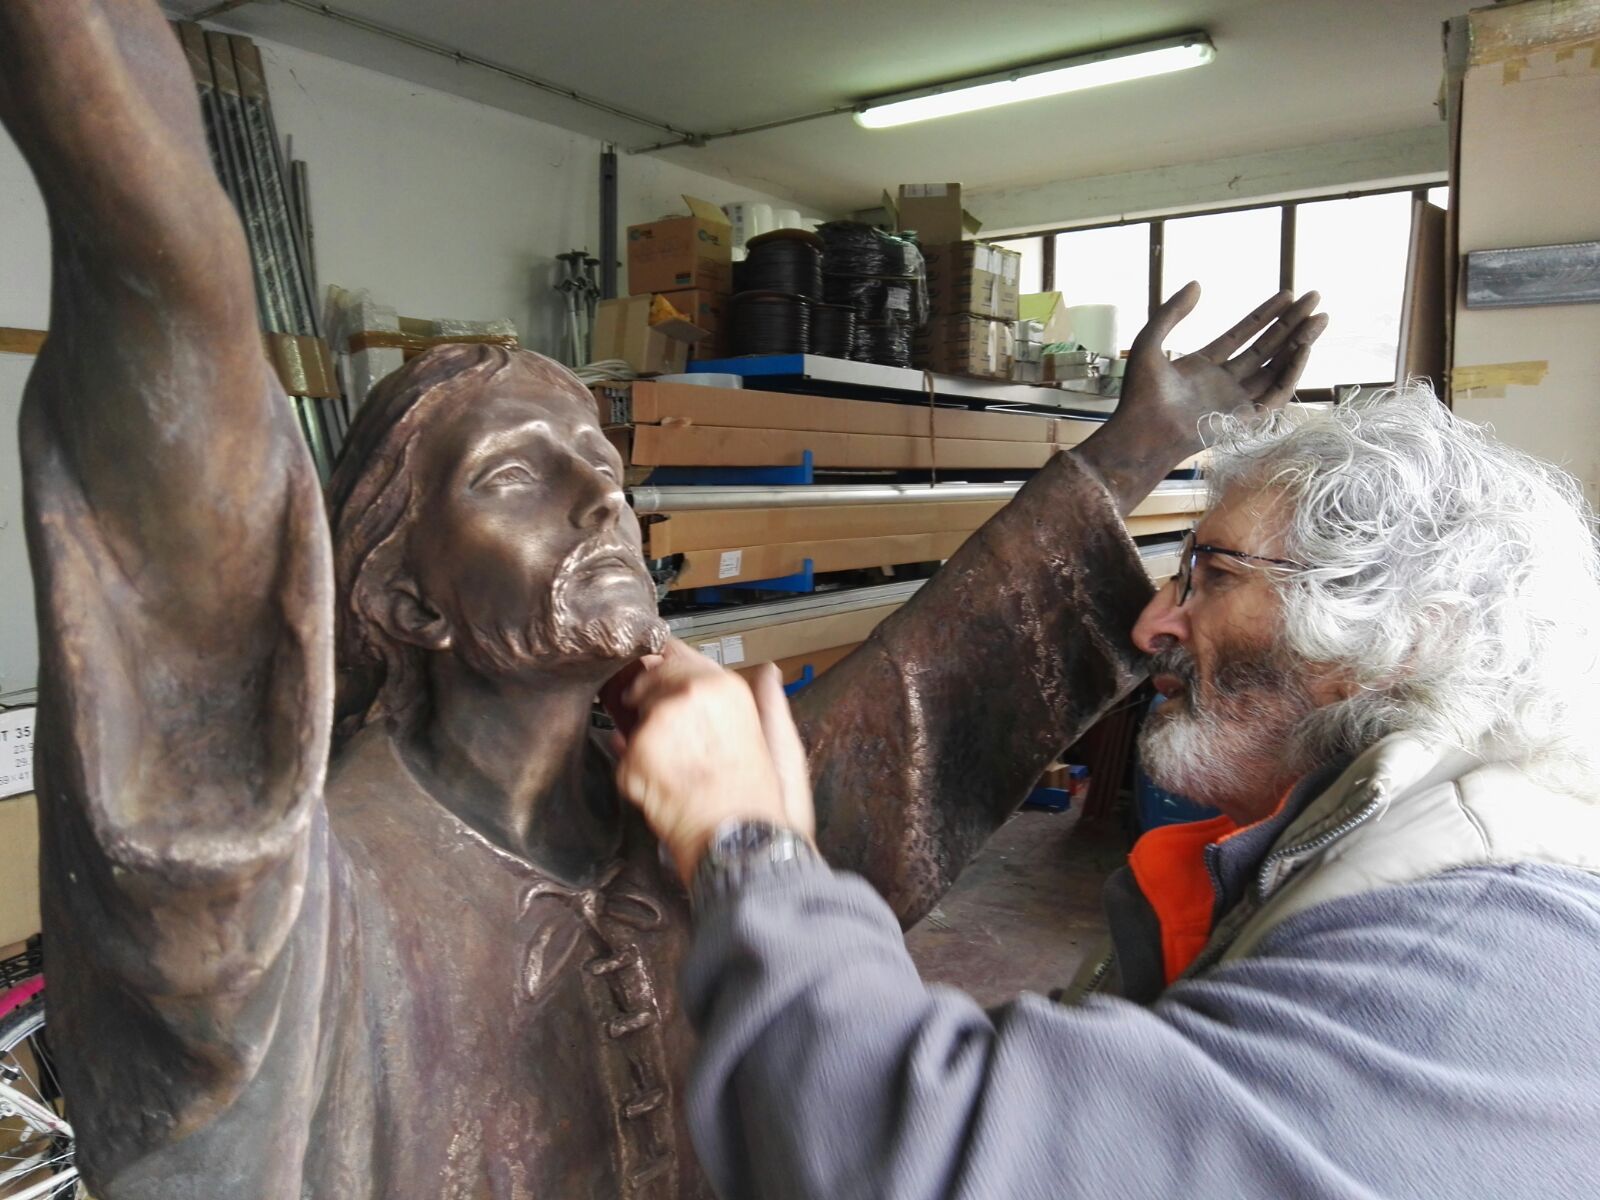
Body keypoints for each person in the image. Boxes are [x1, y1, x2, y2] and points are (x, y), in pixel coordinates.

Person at [4, 2, 1329, 1196]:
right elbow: (184, 495)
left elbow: (930, 694)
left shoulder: (689, 815)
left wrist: (1134, 447)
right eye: (521, 479)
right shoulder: (302, 904)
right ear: (404, 599)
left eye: (606, 466)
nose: (604, 505)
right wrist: (138, 195)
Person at [615, 386, 1600, 1200]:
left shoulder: (1481, 947)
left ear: (1404, 637)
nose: (1152, 624)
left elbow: (917, 1163)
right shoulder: (1365, 861)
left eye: (1209, 575)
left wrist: (745, 843)